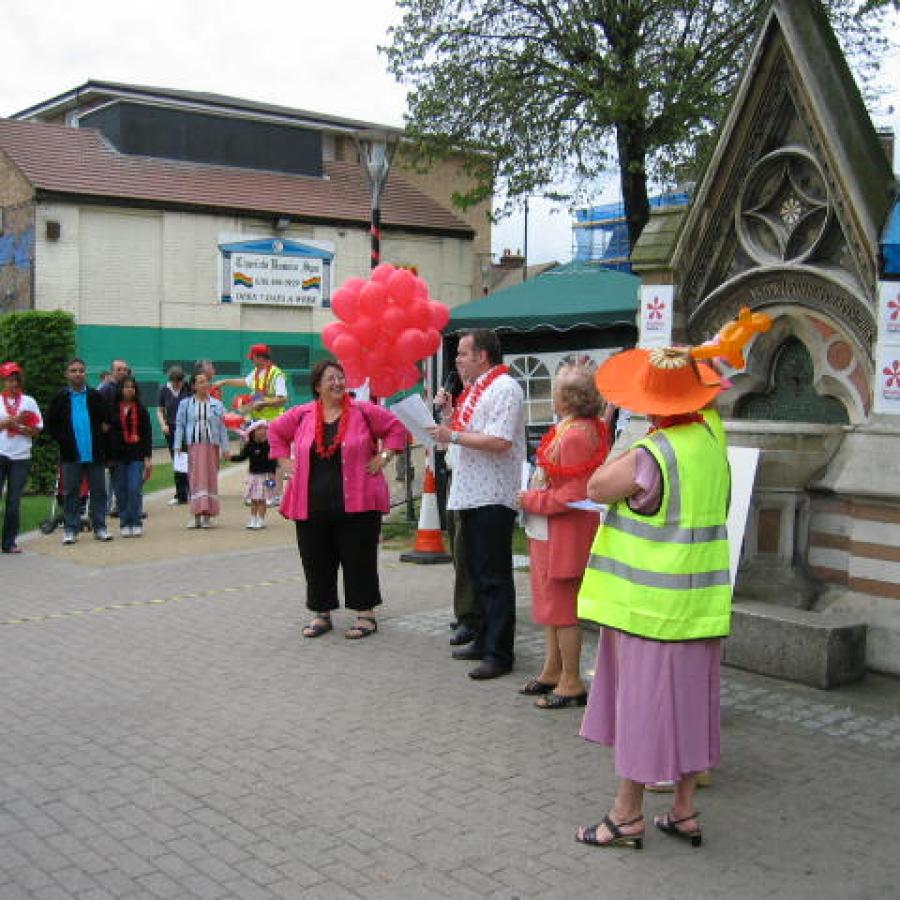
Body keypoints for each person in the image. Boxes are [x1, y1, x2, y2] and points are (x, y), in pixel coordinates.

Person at [574, 346, 731, 851]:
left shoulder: (653, 453)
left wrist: (638, 440)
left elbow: (599, 486)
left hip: (651, 609)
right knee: (692, 706)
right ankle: (684, 810)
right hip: (701, 604)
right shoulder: (710, 440)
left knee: (642, 709)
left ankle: (626, 816)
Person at [267, 359, 407, 640]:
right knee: (316, 560)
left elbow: (396, 430)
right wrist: (284, 461)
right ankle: (321, 613)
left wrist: (384, 456)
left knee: (359, 559)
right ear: (317, 386)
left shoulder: (363, 411)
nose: (338, 383)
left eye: (341, 378)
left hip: (357, 503)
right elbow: (275, 432)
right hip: (312, 504)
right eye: (330, 379)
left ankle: (365, 614)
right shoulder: (302, 414)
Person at [428, 329, 526, 680]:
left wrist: (452, 434)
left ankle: (500, 652)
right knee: (476, 572)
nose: (457, 360)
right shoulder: (473, 391)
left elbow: (499, 440)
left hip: (493, 494)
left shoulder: (505, 388)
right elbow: (462, 438)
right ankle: (483, 639)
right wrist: (449, 415)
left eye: (463, 354)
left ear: (483, 356)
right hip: (470, 492)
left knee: (494, 576)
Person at [517, 364, 609, 708]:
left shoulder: (575, 435)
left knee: (563, 609)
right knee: (551, 605)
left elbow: (574, 491)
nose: (551, 393)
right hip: (552, 532)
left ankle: (571, 681)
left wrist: (531, 499)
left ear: (568, 398)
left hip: (564, 534)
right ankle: (552, 670)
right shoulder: (580, 429)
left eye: (555, 389)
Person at [44, 358, 114, 544]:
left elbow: (109, 418)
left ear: (85, 373)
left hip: (94, 453)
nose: (77, 374)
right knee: (70, 492)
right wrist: (63, 439)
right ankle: (71, 529)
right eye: (73, 370)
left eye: (81, 370)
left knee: (99, 491)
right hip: (71, 454)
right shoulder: (60, 398)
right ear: (67, 374)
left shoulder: (95, 396)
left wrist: (103, 432)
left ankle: (100, 527)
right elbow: (50, 424)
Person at [174, 370, 230, 529]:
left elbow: (223, 427)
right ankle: (196, 515)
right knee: (195, 479)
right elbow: (179, 425)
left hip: (211, 446)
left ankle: (207, 516)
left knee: (210, 479)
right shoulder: (185, 404)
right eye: (201, 382)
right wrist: (177, 445)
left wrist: (225, 448)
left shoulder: (217, 404)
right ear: (193, 386)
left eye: (206, 381)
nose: (205, 384)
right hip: (194, 447)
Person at [0, 362, 43, 554]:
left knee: (14, 501)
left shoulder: (29, 401)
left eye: (16, 380)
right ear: (4, 381)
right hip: (0, 453)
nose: (13, 384)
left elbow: (36, 430)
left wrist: (23, 428)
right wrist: (10, 421)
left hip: (21, 457)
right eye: (9, 380)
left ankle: (9, 542)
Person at [109, 376, 153, 537]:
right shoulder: (112, 409)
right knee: (120, 491)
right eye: (126, 387)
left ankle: (136, 521)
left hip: (136, 454)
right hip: (117, 455)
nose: (130, 390)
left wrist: (148, 458)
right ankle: (124, 522)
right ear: (120, 389)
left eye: (132, 387)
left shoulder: (141, 409)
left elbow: (147, 434)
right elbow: (107, 432)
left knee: (134, 488)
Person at [214, 344, 287, 421]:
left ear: (260, 358)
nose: (251, 360)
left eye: (253, 357)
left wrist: (263, 403)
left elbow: (282, 400)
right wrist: (224, 382)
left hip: (273, 421)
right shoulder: (257, 371)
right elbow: (244, 382)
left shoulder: (276, 374)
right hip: (257, 421)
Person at [230, 420, 277, 529]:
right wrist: (231, 458)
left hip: (265, 476)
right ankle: (253, 519)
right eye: (259, 429)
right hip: (253, 477)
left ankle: (261, 520)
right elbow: (242, 457)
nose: (263, 431)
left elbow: (273, 460)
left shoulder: (268, 445)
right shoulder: (249, 445)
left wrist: (272, 475)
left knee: (262, 499)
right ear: (252, 432)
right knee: (254, 499)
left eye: (265, 429)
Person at [98, 358, 129, 515]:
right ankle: (104, 508)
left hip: (123, 440)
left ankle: (119, 506)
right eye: (119, 369)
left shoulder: (126, 389)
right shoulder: (106, 390)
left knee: (120, 475)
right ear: (112, 371)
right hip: (109, 442)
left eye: (124, 369)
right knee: (108, 475)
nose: (122, 372)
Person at [156, 366, 191, 505]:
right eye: (175, 381)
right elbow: (160, 410)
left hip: (187, 429)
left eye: (180, 381)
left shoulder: (188, 389)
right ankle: (180, 494)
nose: (177, 384)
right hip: (171, 429)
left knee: (189, 460)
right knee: (177, 460)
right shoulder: (164, 390)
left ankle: (190, 491)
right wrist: (163, 424)